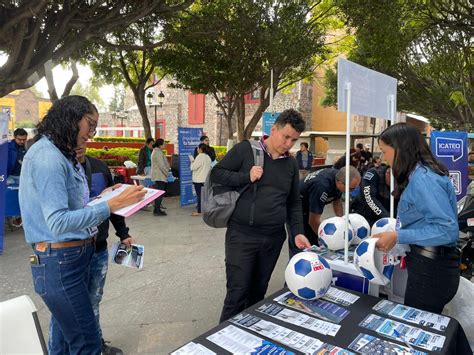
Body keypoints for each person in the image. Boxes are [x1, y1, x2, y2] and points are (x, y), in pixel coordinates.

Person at [19, 95, 146, 355]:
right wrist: (110, 205)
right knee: (86, 343)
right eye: (90, 124)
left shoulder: (60, 155)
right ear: (71, 118)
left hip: (73, 257)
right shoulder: (48, 157)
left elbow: (73, 209)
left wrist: (106, 197)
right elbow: (58, 221)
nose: (92, 133)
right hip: (60, 261)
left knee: (70, 340)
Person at [210, 109, 311, 322]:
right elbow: (217, 173)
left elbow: (293, 202)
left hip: (273, 239)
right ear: (273, 130)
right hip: (242, 236)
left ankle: (248, 338)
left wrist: (298, 232)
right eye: (286, 137)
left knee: (258, 293)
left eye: (293, 140)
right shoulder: (246, 150)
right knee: (237, 292)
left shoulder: (291, 163)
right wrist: (245, 176)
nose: (288, 144)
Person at [373, 123, 460, 314]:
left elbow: (447, 230)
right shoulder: (419, 175)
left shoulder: (424, 179)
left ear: (400, 149)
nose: (384, 158)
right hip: (428, 265)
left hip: (431, 270)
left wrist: (398, 236)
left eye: (384, 151)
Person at [72, 146, 134, 355]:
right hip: (69, 251)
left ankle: (96, 343)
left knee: (94, 299)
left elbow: (113, 205)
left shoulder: (99, 167)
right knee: (70, 306)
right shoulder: (60, 168)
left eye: (84, 137)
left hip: (98, 247)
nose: (79, 144)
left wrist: (123, 233)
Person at [289, 166, 360, 257]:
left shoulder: (339, 176)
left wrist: (342, 222)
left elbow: (337, 200)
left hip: (310, 204)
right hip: (297, 208)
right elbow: (313, 221)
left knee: (315, 245)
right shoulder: (321, 186)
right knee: (302, 244)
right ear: (339, 182)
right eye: (351, 189)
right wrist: (325, 238)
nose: (352, 192)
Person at [189, 143, 212, 216]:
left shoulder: (200, 157)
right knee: (205, 196)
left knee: (200, 196)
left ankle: (199, 211)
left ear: (201, 149)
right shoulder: (208, 157)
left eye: (198, 148)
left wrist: (192, 161)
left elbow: (192, 167)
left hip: (198, 180)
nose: (197, 149)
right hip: (205, 179)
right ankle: (206, 210)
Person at [151, 138, 170, 216]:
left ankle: (157, 209)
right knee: (159, 193)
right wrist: (167, 174)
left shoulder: (157, 151)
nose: (165, 145)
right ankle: (157, 210)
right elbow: (161, 165)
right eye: (164, 143)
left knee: (159, 193)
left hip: (159, 175)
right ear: (160, 145)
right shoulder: (157, 152)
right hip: (159, 175)